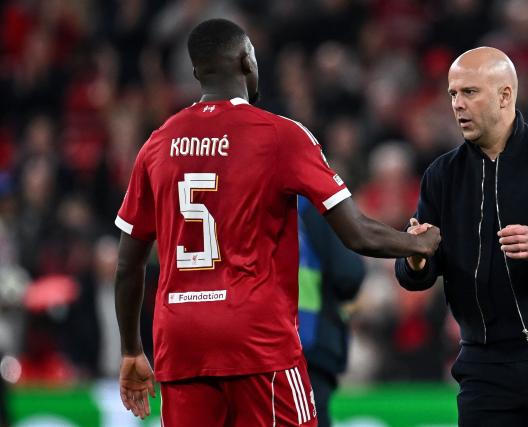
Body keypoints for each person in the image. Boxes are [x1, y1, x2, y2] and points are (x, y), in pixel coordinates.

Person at [113, 18, 440, 426]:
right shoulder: (280, 136)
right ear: (248, 61)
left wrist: (130, 350)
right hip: (256, 339)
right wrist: (419, 245)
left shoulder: (158, 143)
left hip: (181, 342)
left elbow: (128, 265)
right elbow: (355, 233)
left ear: (197, 72)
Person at [395, 47, 528, 426]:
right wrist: (415, 261)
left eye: (469, 92)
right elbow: (419, 269)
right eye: (452, 94)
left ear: (505, 95)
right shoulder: (441, 175)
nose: (457, 105)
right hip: (484, 361)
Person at [297, 196, 365, 427]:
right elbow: (348, 274)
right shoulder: (308, 201)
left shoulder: (245, 193)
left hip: (251, 348)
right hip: (308, 340)